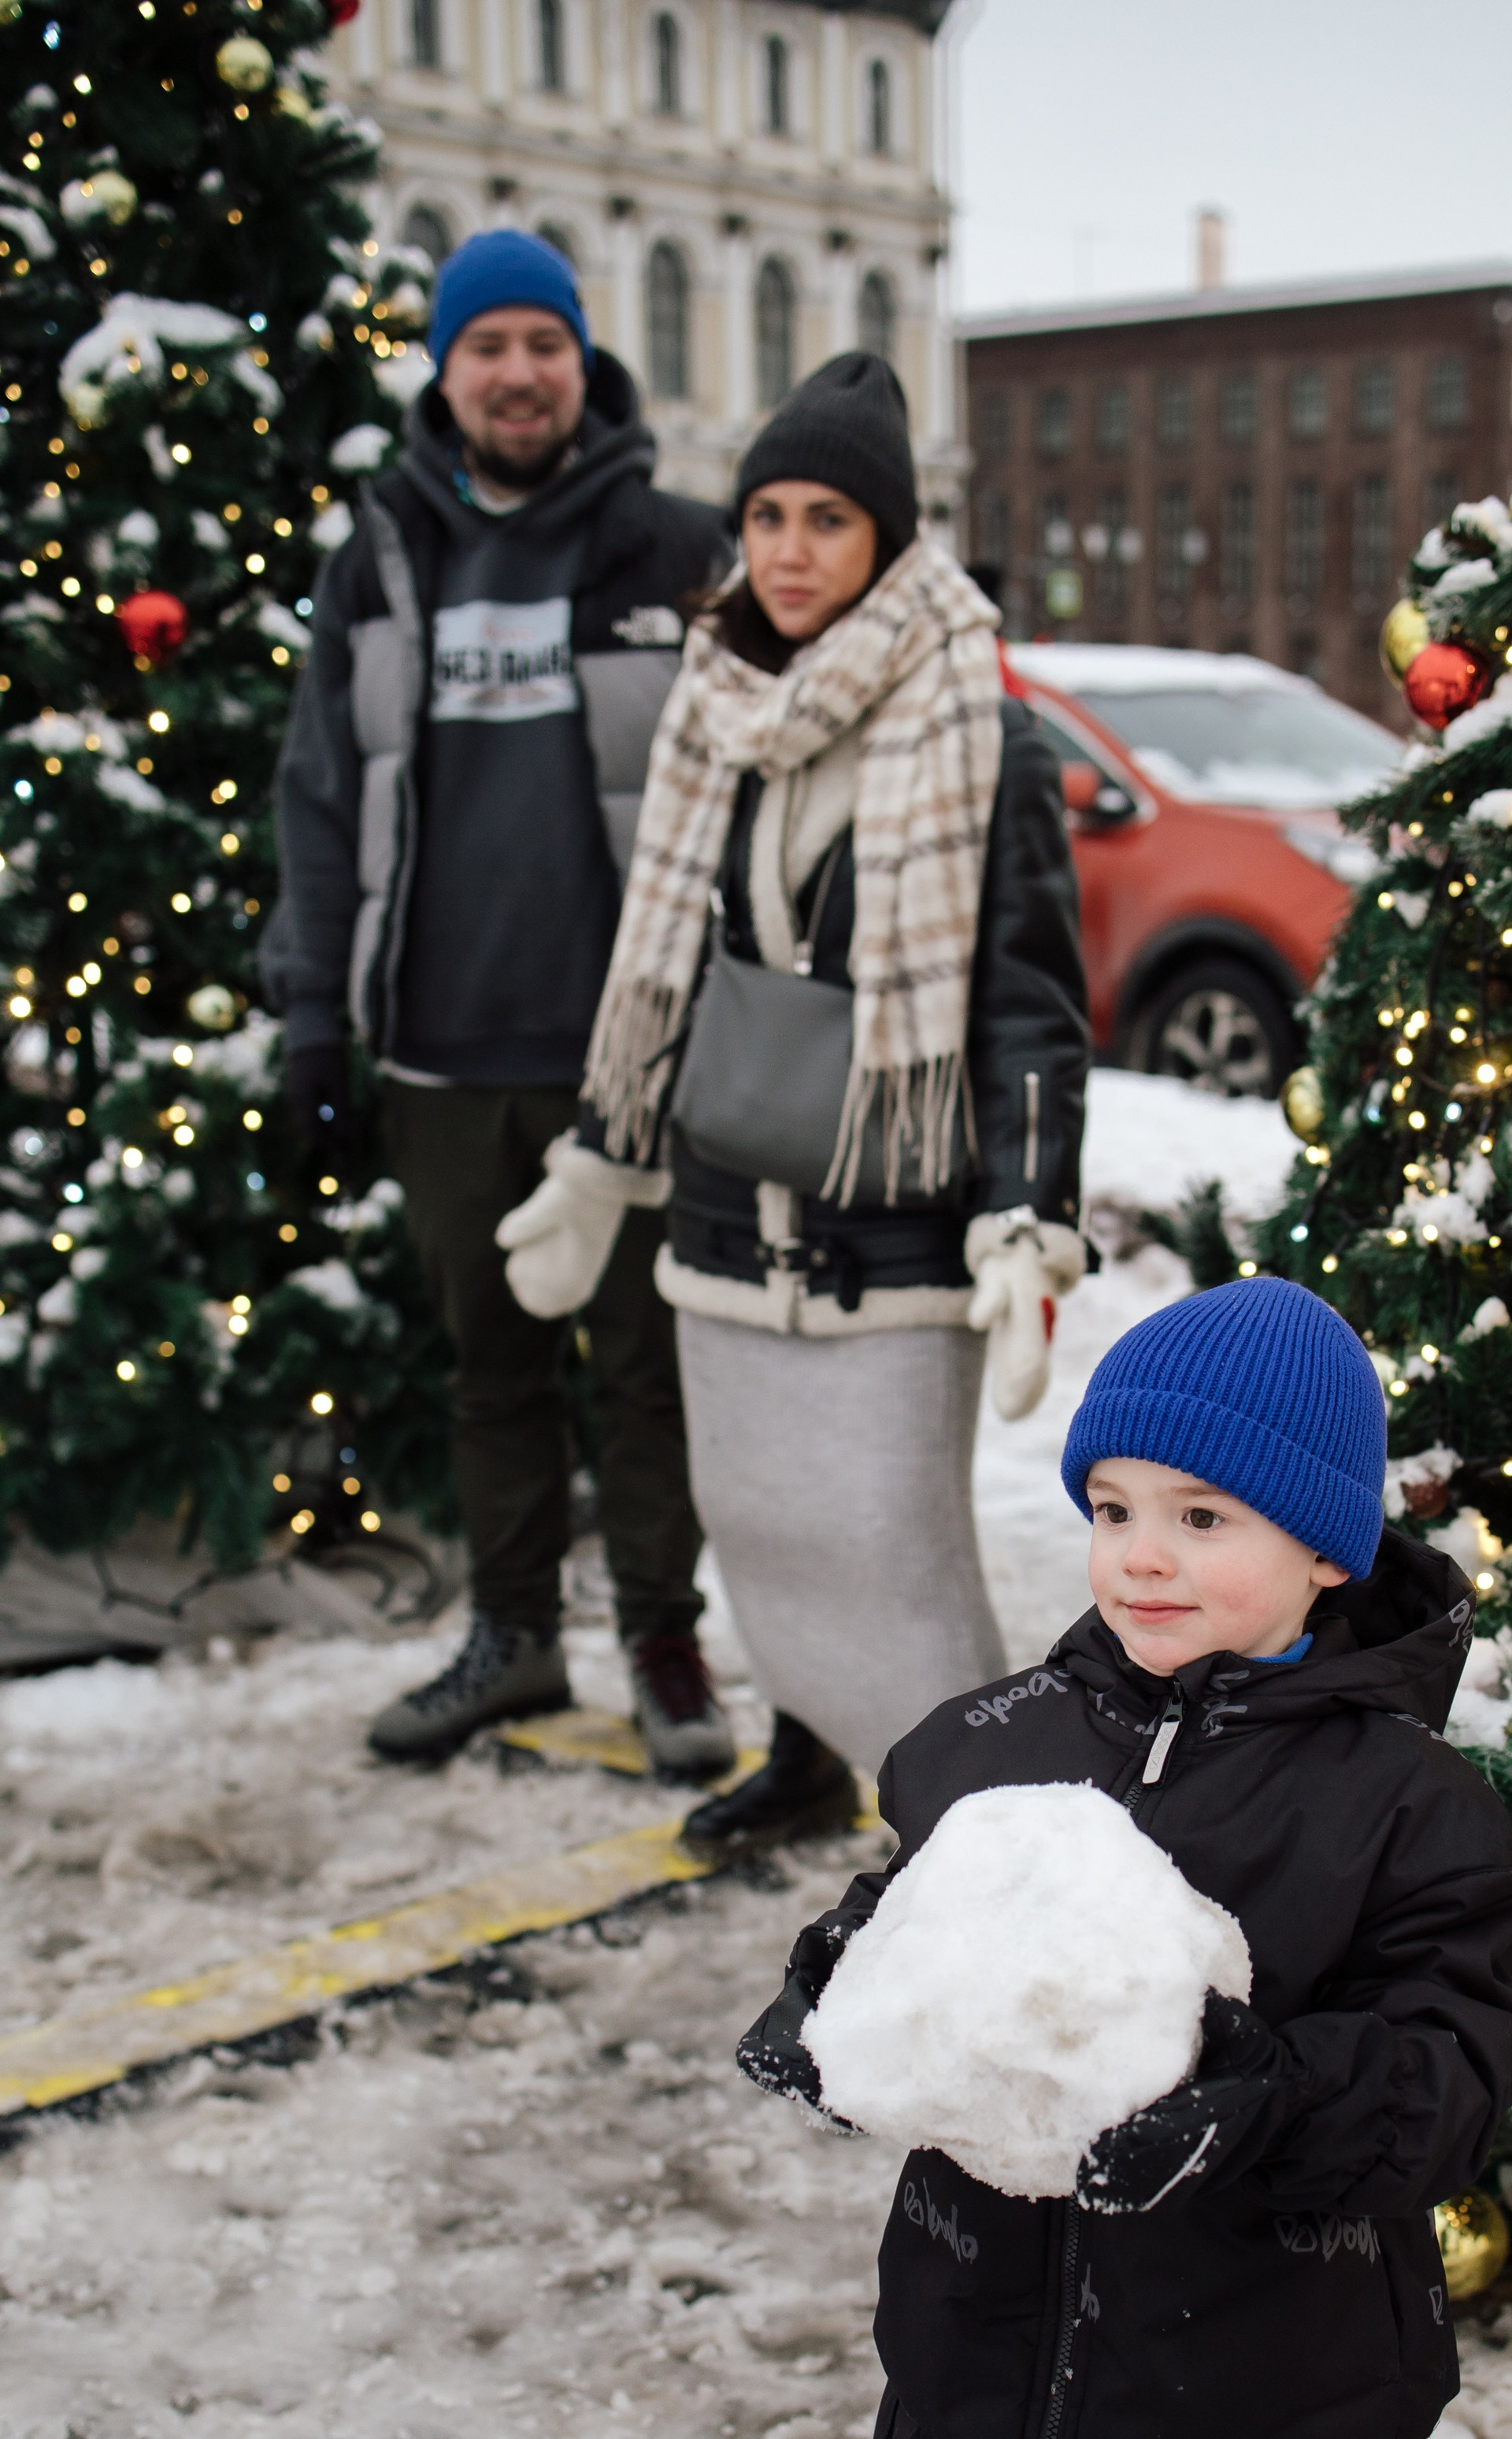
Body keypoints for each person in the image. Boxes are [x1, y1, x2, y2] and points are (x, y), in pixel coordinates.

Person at [736, 1274, 1512, 2439]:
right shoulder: (1012, 1742)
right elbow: (911, 1918)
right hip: (998, 2353)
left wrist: (1269, 2095)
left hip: (1258, 2397)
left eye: (1202, 1518)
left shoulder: (1401, 1805)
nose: (1142, 1555)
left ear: (1327, 1551)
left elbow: (1460, 2053)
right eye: (1112, 1510)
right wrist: (838, 1998)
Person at [497, 352, 1089, 1850]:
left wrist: (1026, 1219)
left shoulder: (981, 732)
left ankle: (982, 1832)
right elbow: (667, 970)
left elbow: (1029, 996)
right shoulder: (717, 722)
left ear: (889, 542)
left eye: (829, 518)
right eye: (766, 515)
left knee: (889, 1548)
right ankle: (812, 1753)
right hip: (720, 1207)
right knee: (757, 1528)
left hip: (883, 1227)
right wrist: (600, 1160)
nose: (789, 549)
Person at [265, 230, 736, 1776]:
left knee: (646, 1369)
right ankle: (514, 1639)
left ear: (578, 361)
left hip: (632, 1055)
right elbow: (320, 802)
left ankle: (665, 1650)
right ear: (445, 369)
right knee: (493, 1367)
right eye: (488, 347)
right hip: (440, 1052)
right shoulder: (378, 559)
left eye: (543, 343)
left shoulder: (675, 548)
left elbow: (748, 789)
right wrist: (314, 1021)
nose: (517, 373)